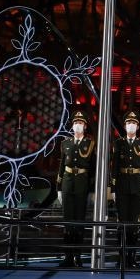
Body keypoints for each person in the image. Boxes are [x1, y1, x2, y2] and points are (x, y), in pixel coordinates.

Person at [111, 110, 140, 269]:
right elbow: (114, 167)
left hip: (137, 186)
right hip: (121, 185)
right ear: (125, 125)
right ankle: (121, 258)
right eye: (128, 123)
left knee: (134, 225)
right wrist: (113, 188)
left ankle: (132, 258)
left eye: (134, 123)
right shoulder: (118, 143)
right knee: (121, 224)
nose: (131, 126)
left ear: (138, 126)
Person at [56, 109, 95, 268]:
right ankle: (68, 256)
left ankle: (77, 256)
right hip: (67, 181)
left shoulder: (90, 144)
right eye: (75, 123)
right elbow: (61, 166)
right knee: (67, 221)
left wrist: (92, 190)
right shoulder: (65, 143)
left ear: (85, 126)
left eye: (80, 123)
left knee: (79, 221)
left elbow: (93, 169)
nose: (77, 125)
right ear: (72, 126)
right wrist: (59, 188)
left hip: (82, 183)